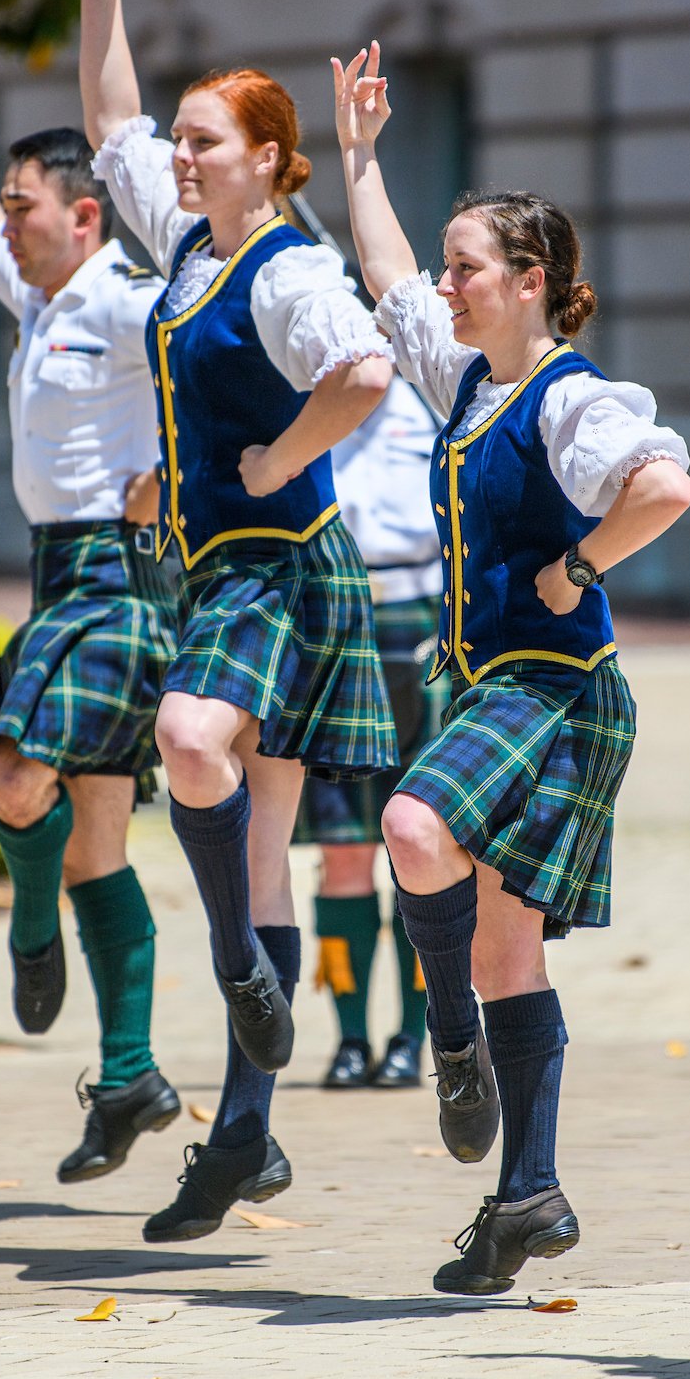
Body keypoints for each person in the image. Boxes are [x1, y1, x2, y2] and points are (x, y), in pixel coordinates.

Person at [334, 43, 690, 1295]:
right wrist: (361, 159)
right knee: (505, 953)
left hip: (557, 691)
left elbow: (664, 485)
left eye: (468, 270)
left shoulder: (565, 396)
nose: (446, 286)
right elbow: (385, 277)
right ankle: (527, 1196)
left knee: (411, 824)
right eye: (449, 269)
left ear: (532, 280)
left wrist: (580, 564)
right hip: (503, 690)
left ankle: (448, 1044)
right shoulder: (472, 385)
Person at [78, 0, 401, 1243]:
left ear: (268, 160)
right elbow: (109, 127)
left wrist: (274, 464)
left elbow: (368, 370)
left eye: (209, 143)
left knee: (188, 745)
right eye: (190, 144)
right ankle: (247, 1141)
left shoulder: (279, 268)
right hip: (229, 572)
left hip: (283, 566)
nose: (185, 158)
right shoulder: (193, 248)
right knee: (261, 854)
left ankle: (235, 979)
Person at [0, 0, 184, 1183]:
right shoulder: (36, 294)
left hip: (120, 581)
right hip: (56, 576)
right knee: (95, 847)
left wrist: (171, 480)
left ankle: (30, 934)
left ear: (87, 215)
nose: (7, 228)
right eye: (15, 212)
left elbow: (238, 387)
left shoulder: (130, 299)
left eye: (30, 212)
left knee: (13, 777)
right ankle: (130, 1077)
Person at [294, 370, 445, 1091]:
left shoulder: (436, 397)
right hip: (337, 632)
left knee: (420, 853)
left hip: (420, 630)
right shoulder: (310, 407)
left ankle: (412, 1042)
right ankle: (351, 1039)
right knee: (345, 853)